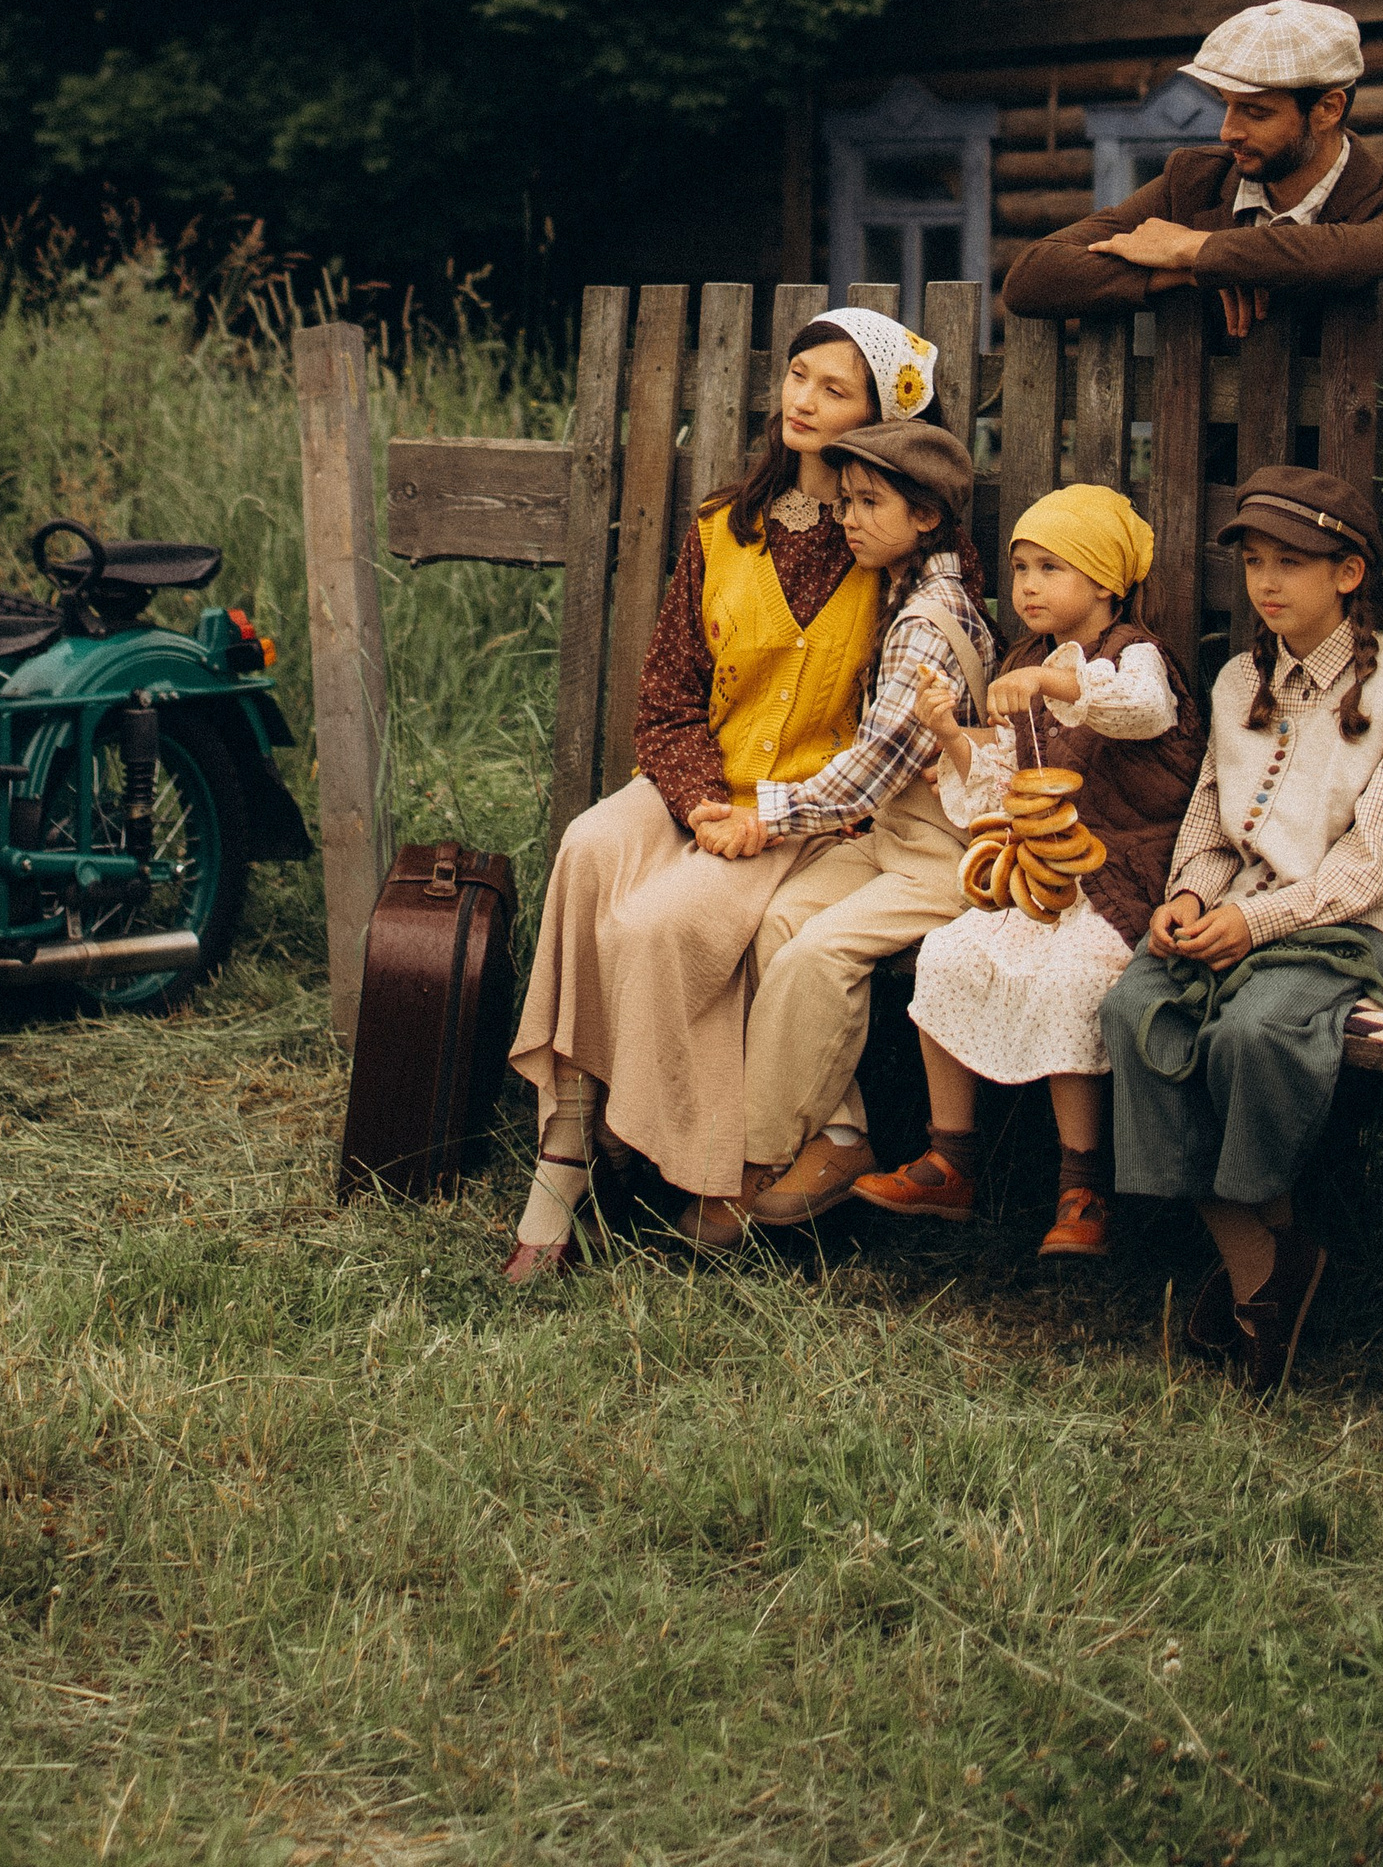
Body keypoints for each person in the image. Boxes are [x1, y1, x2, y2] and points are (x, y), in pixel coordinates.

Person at [502, 303, 940, 1281]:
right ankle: (567, 1149)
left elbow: (892, 742)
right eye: (797, 377)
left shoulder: (894, 554)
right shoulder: (721, 527)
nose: (804, 399)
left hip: (812, 815)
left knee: (662, 922)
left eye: (834, 388)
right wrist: (701, 802)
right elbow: (662, 704)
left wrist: (755, 820)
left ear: (874, 415)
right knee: (585, 847)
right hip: (700, 783)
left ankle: (657, 1165)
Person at [1099, 465, 1383, 1394]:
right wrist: (1190, 896)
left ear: (1348, 574)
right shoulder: (1240, 680)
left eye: (1293, 563)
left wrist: (1252, 919)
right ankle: (1263, 1262)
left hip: (1365, 922)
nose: (1267, 582)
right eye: (1256, 562)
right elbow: (1211, 815)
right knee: (1133, 1004)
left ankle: (1247, 1274)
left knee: (1255, 1030)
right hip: (1247, 908)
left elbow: (1370, 862)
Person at [854, 487, 1202, 1259]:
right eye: (1019, 568)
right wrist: (949, 730)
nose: (1029, 586)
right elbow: (999, 786)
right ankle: (953, 1156)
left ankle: (1084, 1184)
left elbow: (1139, 710)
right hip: (1042, 877)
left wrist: (1054, 684)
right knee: (951, 955)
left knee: (1074, 979)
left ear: (1106, 583)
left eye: (1051, 567)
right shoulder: (1024, 663)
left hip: (1121, 878)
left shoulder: (1135, 656)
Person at [682, 417, 993, 1232]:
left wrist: (763, 818)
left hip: (948, 857)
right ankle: (838, 1130)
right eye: (845, 498)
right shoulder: (903, 586)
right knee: (777, 918)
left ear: (925, 515)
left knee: (820, 952)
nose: (847, 517)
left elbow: (874, 768)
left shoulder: (930, 618)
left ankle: (753, 1157)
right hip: (895, 840)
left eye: (868, 502)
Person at [1000, 1, 1383, 338]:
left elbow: (1367, 250)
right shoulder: (1196, 182)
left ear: (1327, 108)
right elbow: (1032, 277)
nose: (1227, 132)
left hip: (1346, 458)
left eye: (1255, 113)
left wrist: (1195, 246)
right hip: (1200, 458)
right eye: (1227, 107)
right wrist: (1187, 269)